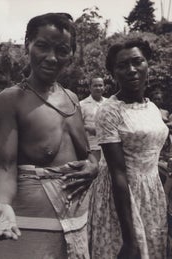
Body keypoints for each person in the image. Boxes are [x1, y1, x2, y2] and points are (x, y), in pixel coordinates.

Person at [0, 13, 98, 259]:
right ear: (27, 45)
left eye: (62, 50)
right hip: (27, 228)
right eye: (42, 46)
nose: (51, 58)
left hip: (76, 225)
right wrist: (0, 203)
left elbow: (88, 153)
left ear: (71, 54)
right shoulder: (11, 100)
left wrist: (94, 166)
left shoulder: (73, 99)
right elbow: (5, 167)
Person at [88, 38, 168, 259]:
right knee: (128, 251)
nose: (131, 69)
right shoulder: (109, 111)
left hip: (151, 194)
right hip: (121, 197)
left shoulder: (152, 107)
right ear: (113, 74)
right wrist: (129, 237)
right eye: (122, 66)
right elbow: (118, 172)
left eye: (137, 61)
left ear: (147, 65)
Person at [80, 77, 107, 161]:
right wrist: (88, 128)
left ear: (104, 87)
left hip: (108, 145)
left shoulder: (109, 103)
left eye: (100, 85)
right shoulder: (82, 104)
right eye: (95, 86)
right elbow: (77, 126)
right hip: (92, 147)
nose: (98, 88)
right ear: (90, 88)